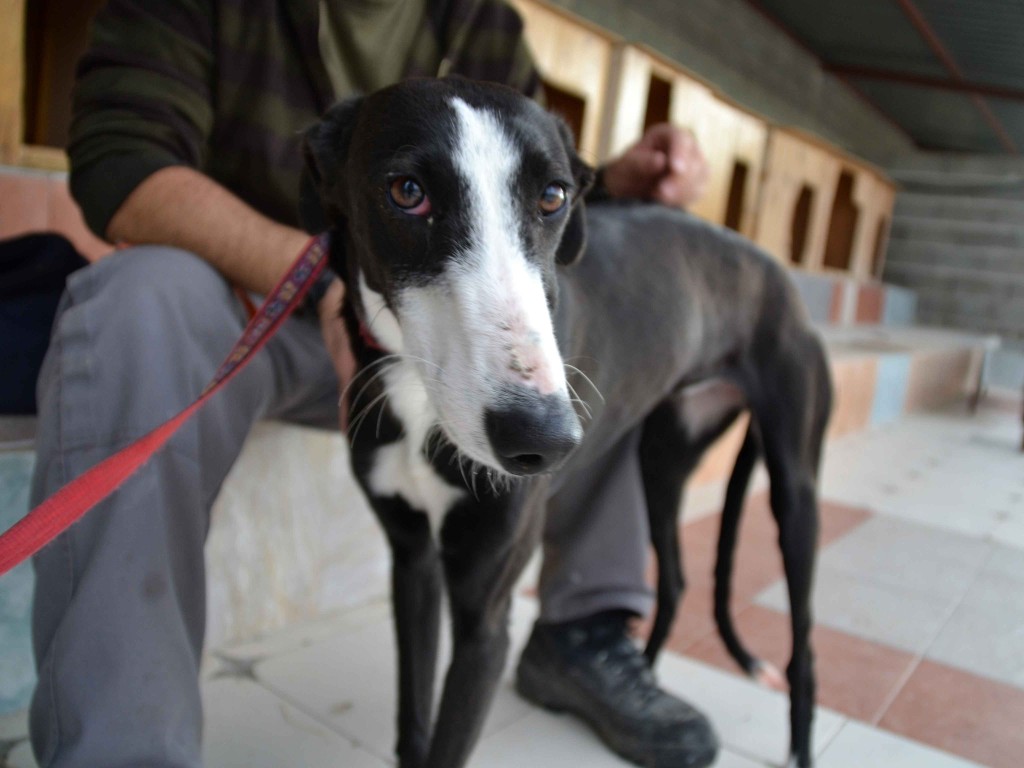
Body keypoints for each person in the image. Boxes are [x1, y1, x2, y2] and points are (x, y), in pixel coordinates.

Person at [28, 1, 714, 766]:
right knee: (137, 300)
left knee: (595, 340)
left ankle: (582, 631)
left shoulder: (480, 16)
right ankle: (123, 749)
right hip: (250, 304)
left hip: (424, 332)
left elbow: (511, 170)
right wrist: (323, 279)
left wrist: (605, 177)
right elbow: (120, 163)